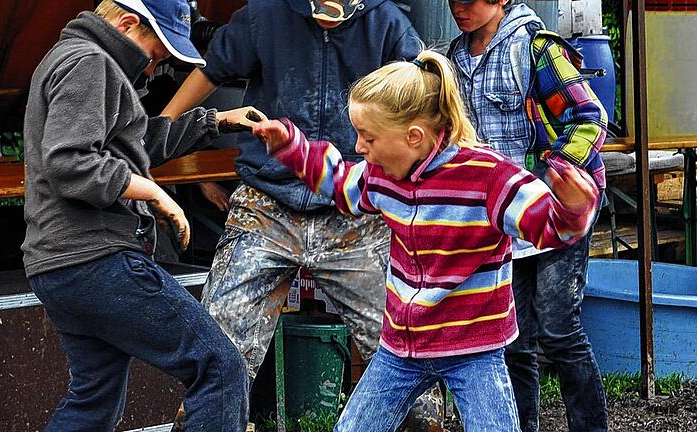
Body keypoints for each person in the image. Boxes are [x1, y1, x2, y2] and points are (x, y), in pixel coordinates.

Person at [251, 49, 600, 432]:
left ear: (413, 136)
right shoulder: (381, 175)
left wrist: (573, 208)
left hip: (473, 347)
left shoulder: (489, 178)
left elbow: (550, 228)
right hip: (401, 347)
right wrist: (292, 147)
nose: (359, 147)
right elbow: (340, 183)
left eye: (368, 137)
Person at [161, 1, 447, 429]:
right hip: (266, 203)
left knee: (407, 345)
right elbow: (213, 68)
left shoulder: (387, 23)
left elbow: (423, 97)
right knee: (220, 348)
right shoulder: (265, 14)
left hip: (357, 210)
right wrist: (162, 124)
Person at [21, 1, 262, 430]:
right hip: (96, 256)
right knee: (220, 367)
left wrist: (218, 121)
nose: (153, 70)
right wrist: (153, 192)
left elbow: (134, 145)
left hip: (59, 264)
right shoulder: (90, 62)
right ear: (128, 24)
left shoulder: (75, 57)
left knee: (94, 399)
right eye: (155, 55)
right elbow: (70, 163)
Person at [446, 1, 609, 431]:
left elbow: (590, 118)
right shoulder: (450, 61)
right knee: (512, 341)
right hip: (503, 220)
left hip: (557, 213)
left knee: (558, 330)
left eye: (470, 0)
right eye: (452, 0)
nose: (457, 8)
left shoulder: (535, 49)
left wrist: (558, 174)